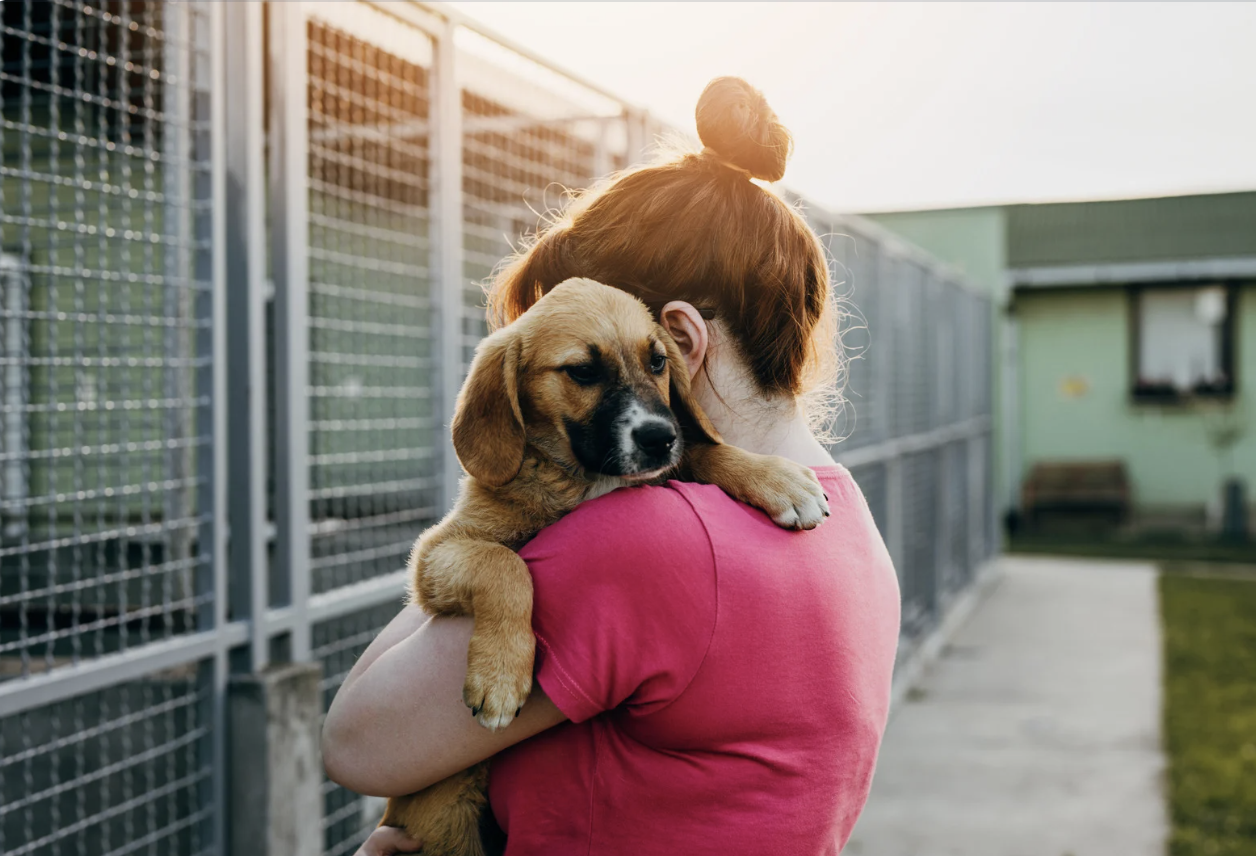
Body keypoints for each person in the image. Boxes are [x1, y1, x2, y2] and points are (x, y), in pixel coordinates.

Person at [324, 76, 901, 856]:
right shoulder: (848, 520)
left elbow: (358, 740)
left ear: (679, 341)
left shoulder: (648, 544)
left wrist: (510, 528)